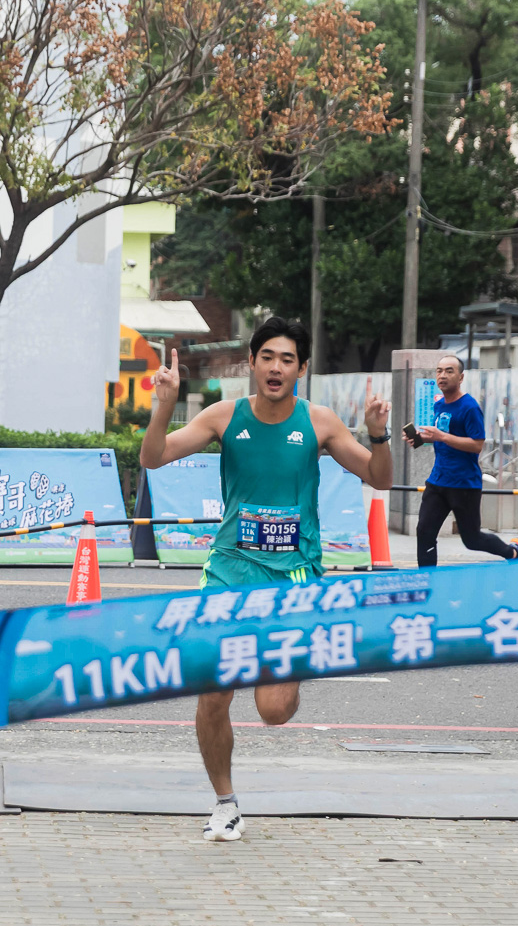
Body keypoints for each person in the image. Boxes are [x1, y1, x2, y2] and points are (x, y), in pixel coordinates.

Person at [141, 315, 392, 842]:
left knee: (274, 711)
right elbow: (155, 457)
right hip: (229, 571)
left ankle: (286, 665)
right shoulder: (223, 417)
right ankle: (225, 802)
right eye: (267, 357)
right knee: (213, 693)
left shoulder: (318, 422)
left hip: (295, 577)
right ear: (252, 362)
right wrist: (164, 404)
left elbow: (378, 476)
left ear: (301, 367)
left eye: (287, 359)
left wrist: (377, 434)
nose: (276, 367)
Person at [405, 354, 518, 564]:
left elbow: (477, 444)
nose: (442, 376)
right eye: (439, 371)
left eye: (449, 371)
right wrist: (421, 439)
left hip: (464, 484)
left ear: (461, 377)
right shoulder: (439, 405)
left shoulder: (469, 407)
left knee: (471, 540)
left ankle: (513, 552)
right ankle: (428, 581)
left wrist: (441, 436)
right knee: (424, 532)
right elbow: (445, 438)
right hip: (437, 481)